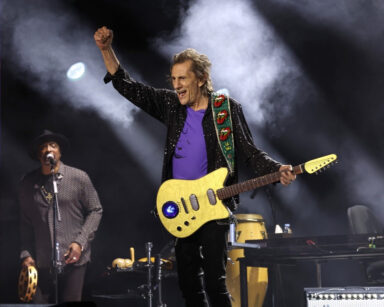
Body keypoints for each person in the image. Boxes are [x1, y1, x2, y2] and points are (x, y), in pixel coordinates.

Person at [94, 26, 296, 306]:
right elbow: (129, 87)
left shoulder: (225, 110)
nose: (176, 85)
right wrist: (105, 49)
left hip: (214, 208)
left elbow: (249, 152)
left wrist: (277, 170)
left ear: (201, 79)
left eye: (182, 78)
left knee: (215, 283)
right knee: (188, 284)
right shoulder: (171, 105)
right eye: (174, 78)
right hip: (181, 206)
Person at [18, 130, 103, 303]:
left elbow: (96, 210)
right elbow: (25, 223)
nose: (48, 149)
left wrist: (80, 242)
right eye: (43, 147)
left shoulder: (78, 177)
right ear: (37, 154)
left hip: (74, 260)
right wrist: (26, 254)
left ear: (60, 152)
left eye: (53, 145)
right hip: (40, 263)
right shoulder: (28, 183)